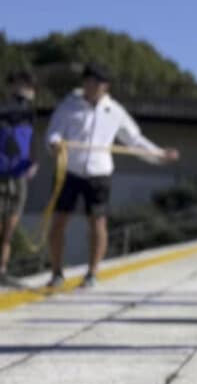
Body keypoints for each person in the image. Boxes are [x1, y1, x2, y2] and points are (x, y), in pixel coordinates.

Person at [44, 63, 180, 288]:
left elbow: (135, 140)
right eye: (89, 81)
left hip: (99, 174)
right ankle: (57, 272)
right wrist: (54, 143)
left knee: (97, 224)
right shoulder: (69, 106)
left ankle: (92, 273)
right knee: (58, 223)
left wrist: (159, 154)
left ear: (106, 86)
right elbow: (54, 132)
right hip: (69, 170)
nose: (93, 86)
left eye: (98, 83)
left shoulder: (115, 111)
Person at [0, 70, 40, 287]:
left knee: (9, 228)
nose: (22, 90)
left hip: (19, 176)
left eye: (28, 87)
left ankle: (2, 271)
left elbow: (32, 142)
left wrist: (34, 163)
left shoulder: (30, 115)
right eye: (18, 85)